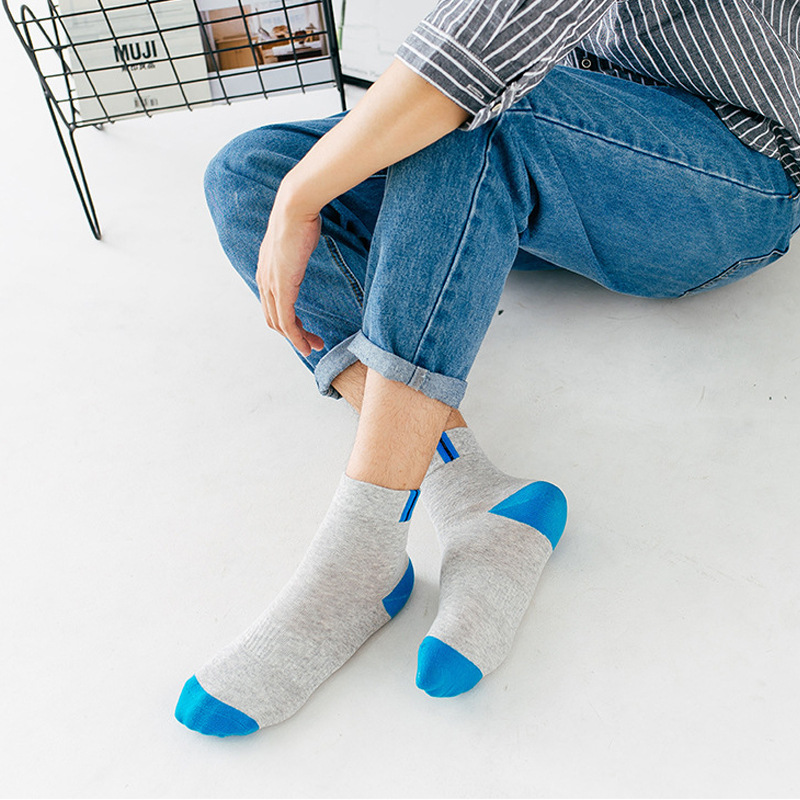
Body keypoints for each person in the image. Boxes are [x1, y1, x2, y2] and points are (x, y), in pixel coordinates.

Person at [175, 0, 800, 736]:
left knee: (469, 111)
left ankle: (361, 548)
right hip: (565, 139)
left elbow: (476, 52)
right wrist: (290, 192)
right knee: (252, 172)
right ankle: (469, 488)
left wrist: (303, 199)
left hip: (728, 175)